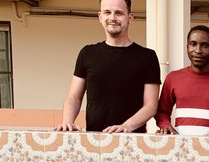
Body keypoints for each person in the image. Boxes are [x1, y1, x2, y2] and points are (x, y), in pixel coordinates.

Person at [56, 0, 160, 133]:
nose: (112, 18)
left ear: (130, 18)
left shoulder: (147, 57)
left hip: (132, 141)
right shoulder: (87, 53)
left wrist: (126, 127)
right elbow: (74, 97)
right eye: (107, 12)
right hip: (94, 139)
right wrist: (67, 121)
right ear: (100, 17)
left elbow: (151, 106)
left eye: (119, 13)